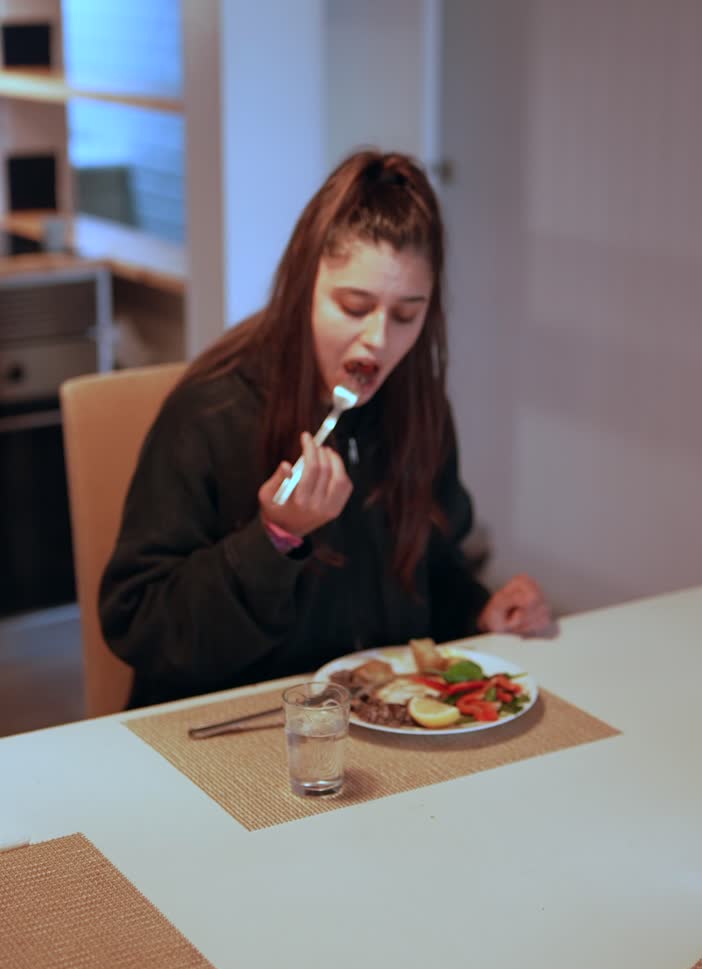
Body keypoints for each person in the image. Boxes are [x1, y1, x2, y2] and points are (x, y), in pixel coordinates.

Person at [100, 149, 553, 709]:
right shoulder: (212, 409)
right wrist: (274, 539)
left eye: (407, 315)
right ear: (303, 289)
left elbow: (432, 566)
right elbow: (139, 622)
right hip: (237, 733)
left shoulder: (416, 405)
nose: (379, 340)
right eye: (354, 305)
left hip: (378, 730)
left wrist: (480, 610)